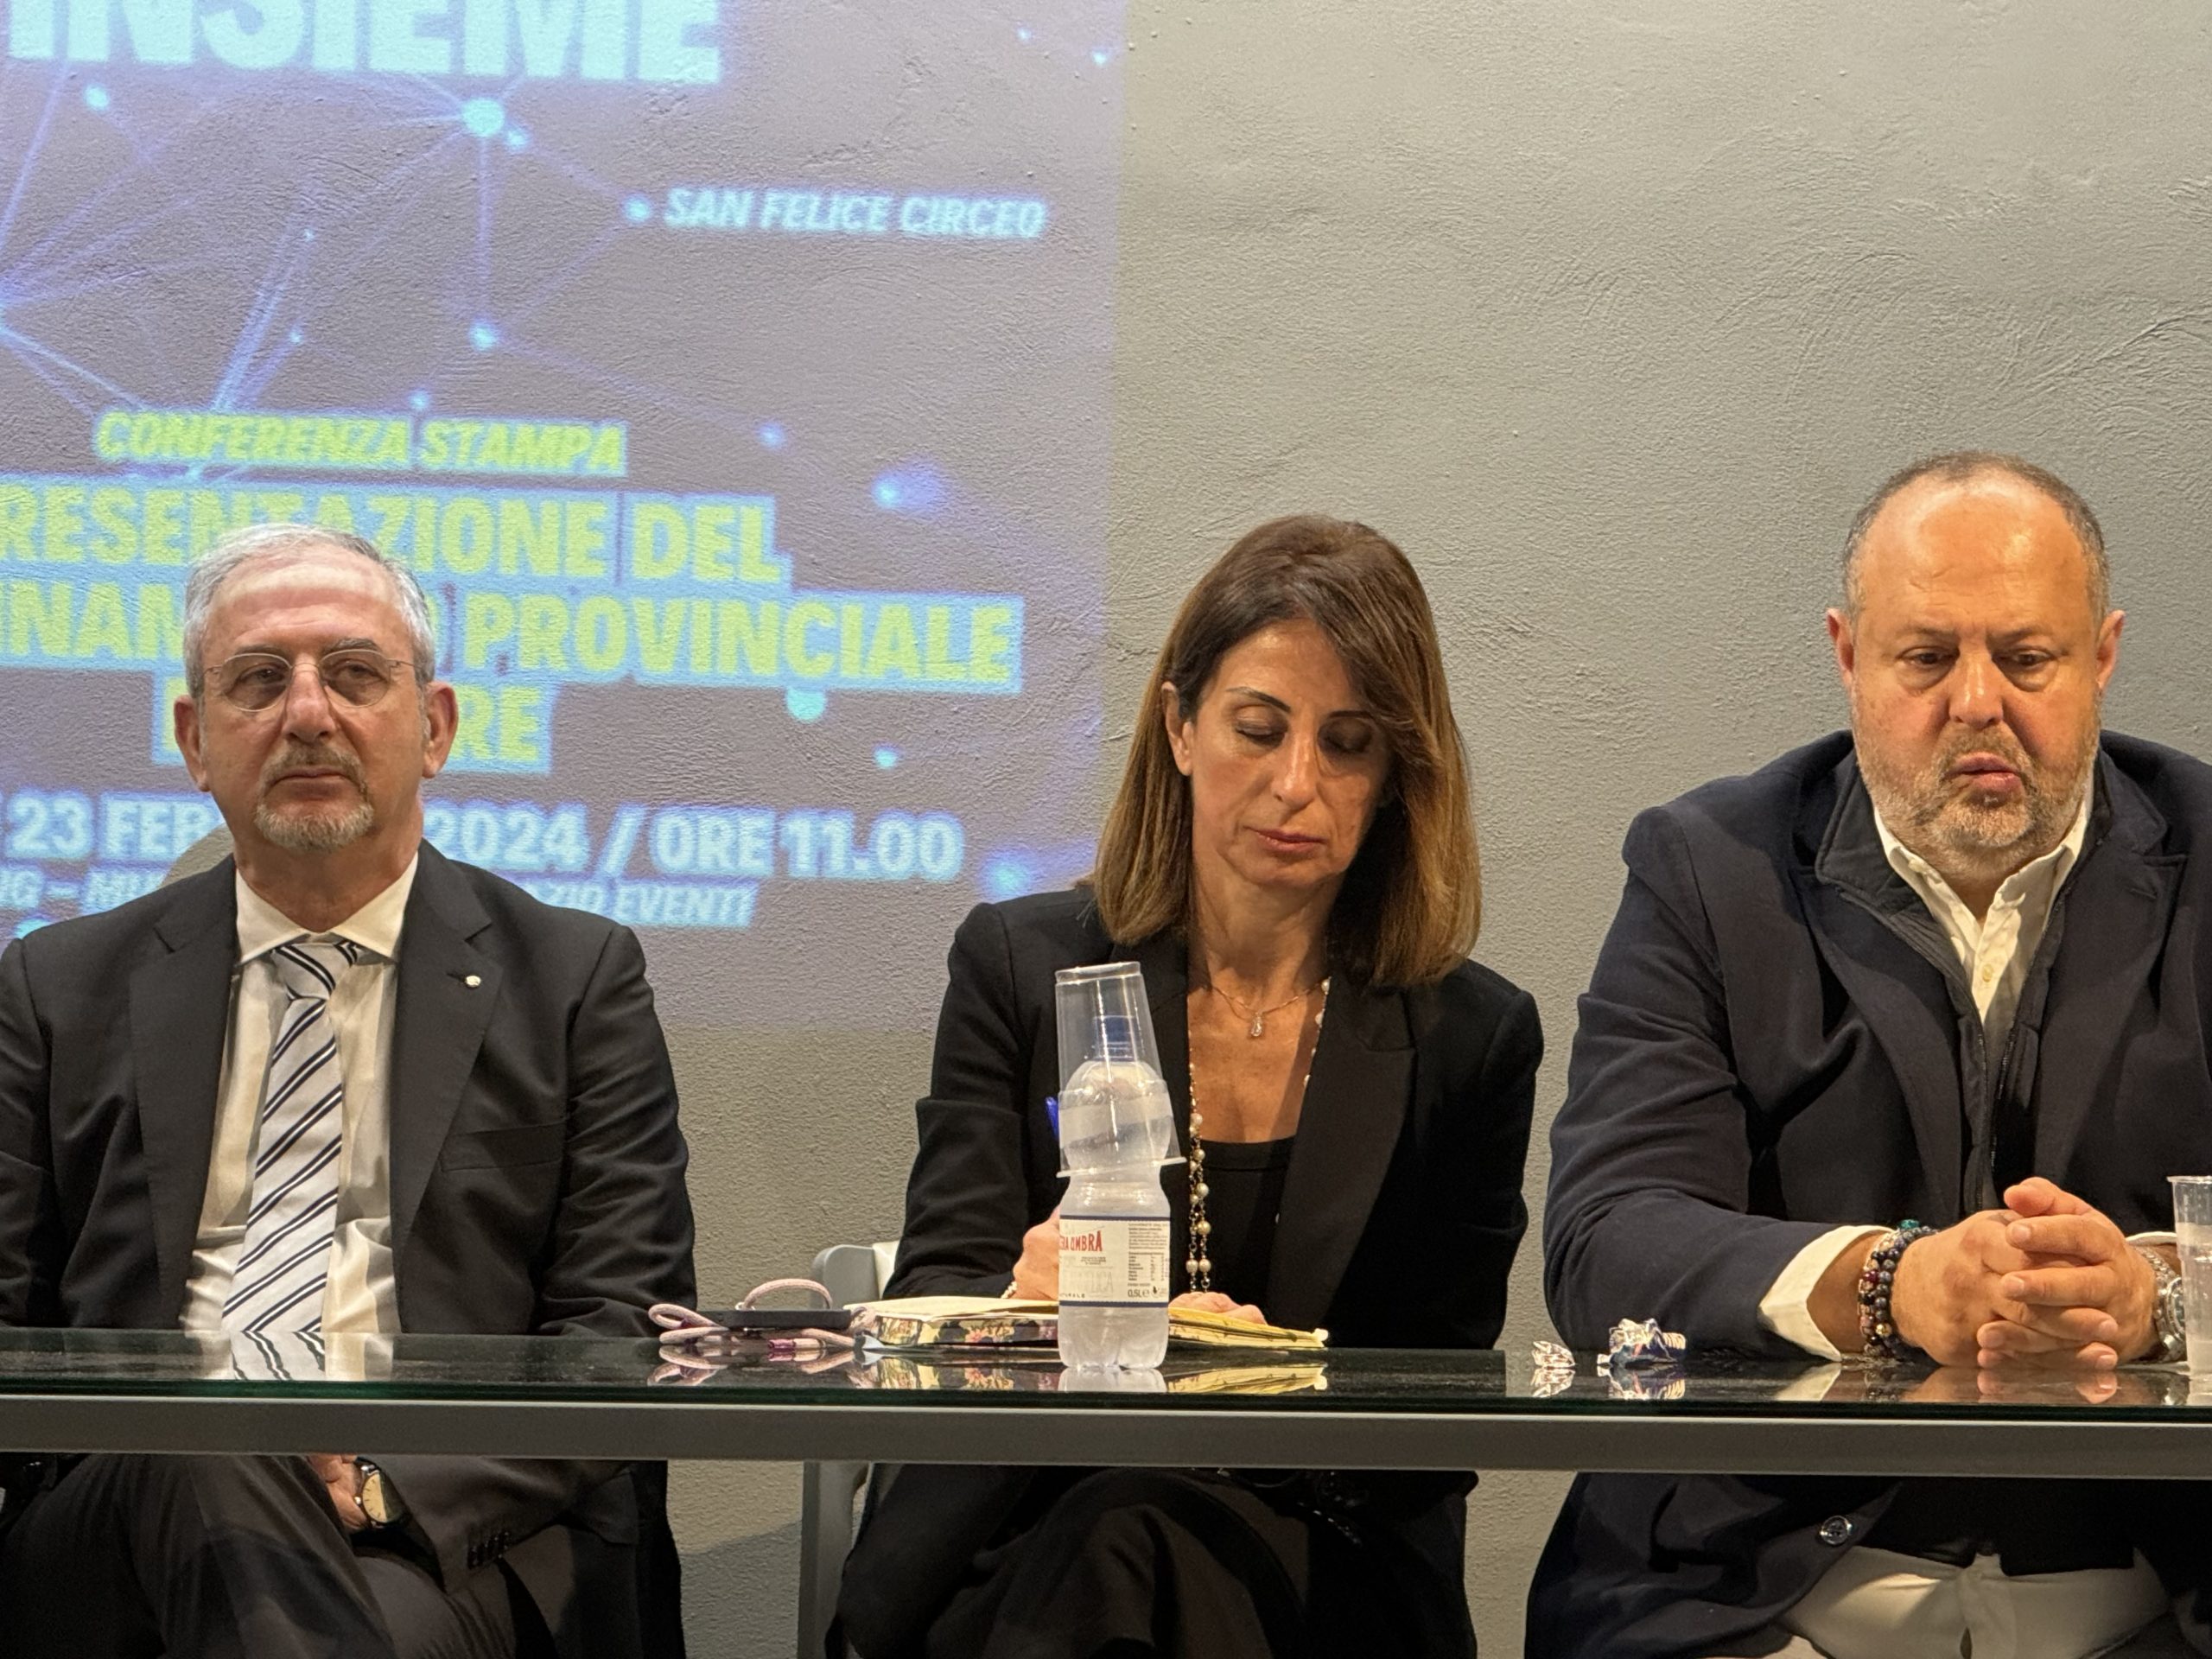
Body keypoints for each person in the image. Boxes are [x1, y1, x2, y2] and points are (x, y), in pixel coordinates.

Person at [1533, 453, 2212, 1659]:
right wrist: (1894, 1286)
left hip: (2149, 1585)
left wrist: (2151, 1296)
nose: (1977, 702)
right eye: (1927, 658)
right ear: (1848, 657)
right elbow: (1608, 1239)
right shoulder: (1708, 869)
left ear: (2103, 657)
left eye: (2027, 658)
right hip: (1774, 1592)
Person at [836, 514, 1542, 1659]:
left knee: (1142, 1540)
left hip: (1322, 1552)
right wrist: (1025, 1307)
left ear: (1396, 778)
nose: (1297, 784)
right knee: (1123, 1538)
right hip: (1031, 1523)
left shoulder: (1472, 1037)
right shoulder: (1020, 967)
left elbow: (1432, 1405)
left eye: (1348, 745)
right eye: (1258, 730)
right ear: (1178, 726)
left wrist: (1238, 1386)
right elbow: (938, 1299)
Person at [0, 523, 697, 1659]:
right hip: (116, 1529)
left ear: (435, 727)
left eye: (357, 673)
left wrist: (381, 1488)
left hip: (442, 1531)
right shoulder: (58, 986)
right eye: (257, 679)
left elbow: (620, 1331)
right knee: (211, 1430)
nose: (308, 713)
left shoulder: (573, 980)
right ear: (195, 740)